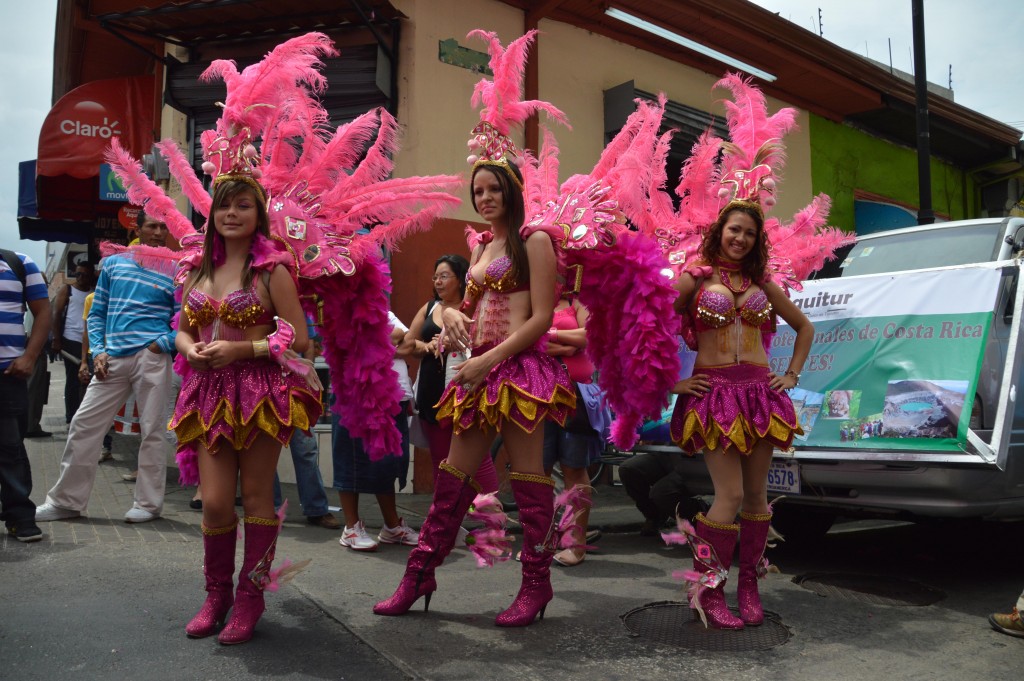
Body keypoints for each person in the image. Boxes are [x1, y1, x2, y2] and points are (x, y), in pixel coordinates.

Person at [374, 155, 574, 626]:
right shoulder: (483, 246)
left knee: (529, 480)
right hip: (478, 372)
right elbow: (463, 308)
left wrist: (488, 359)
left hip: (519, 371)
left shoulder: (534, 240)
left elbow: (541, 318)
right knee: (452, 479)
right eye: (478, 190)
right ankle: (418, 575)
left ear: (513, 190)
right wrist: (449, 315)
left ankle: (536, 584)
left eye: (494, 189)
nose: (485, 198)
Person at [171, 177, 322, 644]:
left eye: (243, 206)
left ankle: (249, 597)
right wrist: (190, 350)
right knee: (216, 501)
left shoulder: (271, 271)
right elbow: (182, 329)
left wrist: (242, 349)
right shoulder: (197, 270)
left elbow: (298, 338)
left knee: (256, 496)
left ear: (259, 216)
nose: (232, 214)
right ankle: (216, 596)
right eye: (224, 206)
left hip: (259, 393)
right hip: (208, 392)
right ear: (212, 215)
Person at [671, 200, 813, 629]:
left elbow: (804, 327)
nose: (741, 238)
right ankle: (708, 590)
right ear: (720, 231)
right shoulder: (694, 279)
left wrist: (790, 375)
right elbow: (647, 327)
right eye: (735, 229)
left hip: (758, 395)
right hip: (713, 395)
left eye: (750, 233)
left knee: (755, 496)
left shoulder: (762, 284)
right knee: (729, 495)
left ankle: (749, 586)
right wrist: (671, 383)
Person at [35, 212, 177, 525]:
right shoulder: (114, 264)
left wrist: (160, 344)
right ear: (137, 228)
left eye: (163, 227)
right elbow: (97, 313)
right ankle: (66, 502)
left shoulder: (178, 269)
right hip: (112, 358)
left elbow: (184, 320)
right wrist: (98, 350)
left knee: (153, 432)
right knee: (84, 424)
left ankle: (149, 505)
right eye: (152, 226)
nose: (158, 232)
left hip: (152, 357)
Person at [402, 254, 498, 493]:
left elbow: (490, 343)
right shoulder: (430, 307)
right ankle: (446, 514)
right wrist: (430, 346)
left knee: (478, 460)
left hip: (465, 391)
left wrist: (458, 343)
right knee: (440, 459)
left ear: (461, 278)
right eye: (435, 277)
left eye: (444, 276)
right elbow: (407, 344)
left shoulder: (475, 306)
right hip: (431, 393)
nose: (438, 282)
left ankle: (490, 512)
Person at [334, 311, 419, 551]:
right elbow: (353, 347)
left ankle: (392, 527)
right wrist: (388, 341)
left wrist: (376, 345)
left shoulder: (385, 312)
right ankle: (351, 528)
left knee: (388, 463)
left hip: (394, 398)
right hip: (358, 394)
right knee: (351, 460)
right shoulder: (344, 310)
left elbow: (408, 342)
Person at [542, 293, 605, 567]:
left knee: (574, 469)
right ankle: (541, 540)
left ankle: (576, 544)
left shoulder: (577, 300)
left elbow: (589, 337)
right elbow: (527, 341)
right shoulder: (533, 298)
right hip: (537, 394)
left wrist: (551, 335)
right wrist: (566, 346)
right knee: (537, 471)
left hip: (574, 395)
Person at [0, 248, 50, 542]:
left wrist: (30, 356)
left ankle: (20, 516)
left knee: (10, 449)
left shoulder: (18, 263)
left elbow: (43, 311)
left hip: (8, 374)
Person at [618, 451, 705, 536]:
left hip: (693, 460)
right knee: (628, 469)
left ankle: (701, 514)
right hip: (664, 454)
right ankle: (655, 515)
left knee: (661, 492)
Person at [51, 260, 95, 424]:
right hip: (70, 339)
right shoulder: (67, 289)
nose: (80, 277)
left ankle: (85, 416)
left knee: (88, 380)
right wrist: (56, 339)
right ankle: (71, 417)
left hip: (88, 340)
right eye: (78, 274)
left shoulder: (94, 292)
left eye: (84, 275)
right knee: (73, 379)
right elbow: (56, 314)